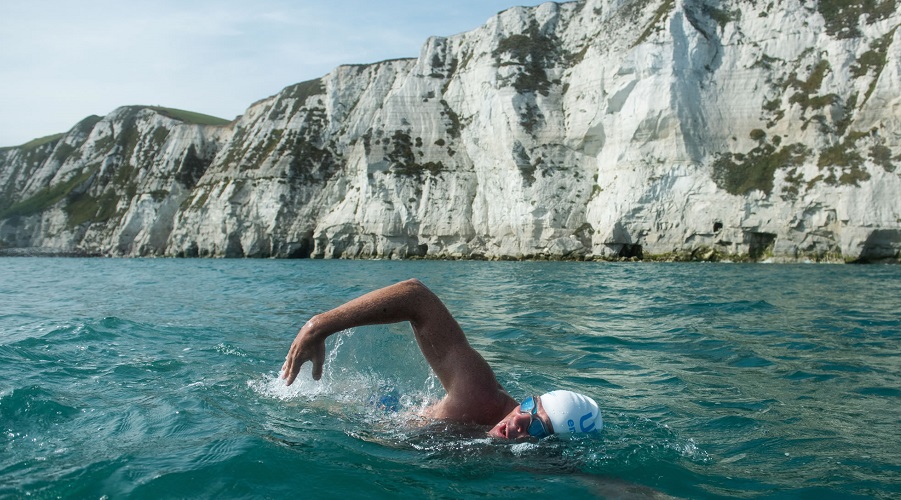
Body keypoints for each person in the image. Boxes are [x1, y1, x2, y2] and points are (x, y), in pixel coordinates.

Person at [282, 278, 602, 439]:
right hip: (376, 416)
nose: (519, 420)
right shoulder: (478, 397)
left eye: (538, 428)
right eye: (531, 406)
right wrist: (318, 326)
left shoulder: (540, 466)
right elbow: (415, 296)